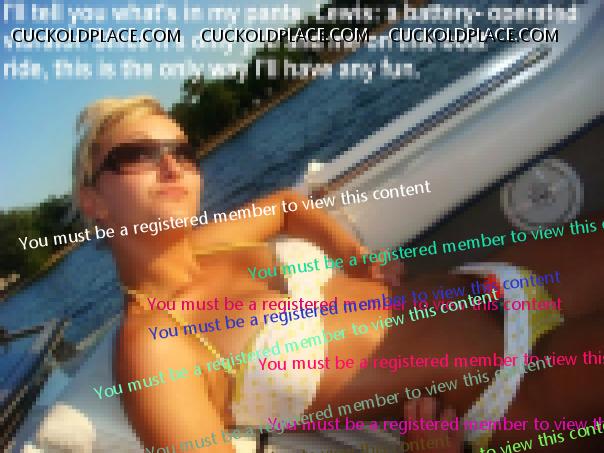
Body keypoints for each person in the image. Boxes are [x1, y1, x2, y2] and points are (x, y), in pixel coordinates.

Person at [74, 96, 602, 453]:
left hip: (498, 280)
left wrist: (354, 257)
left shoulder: (208, 243)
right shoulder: (153, 347)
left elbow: (286, 207)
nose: (173, 167)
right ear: (93, 200)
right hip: (511, 387)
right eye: (138, 155)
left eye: (183, 153)